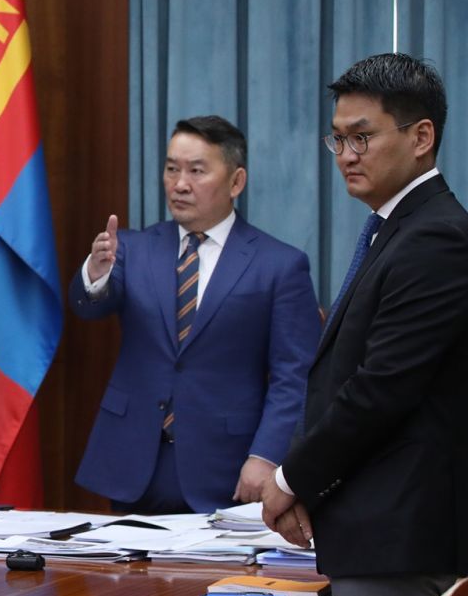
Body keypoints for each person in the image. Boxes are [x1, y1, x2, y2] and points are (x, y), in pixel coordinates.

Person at [262, 54, 468, 596]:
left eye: (362, 137)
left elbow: (380, 389)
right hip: (370, 533)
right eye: (337, 139)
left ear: (421, 137)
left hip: (396, 542)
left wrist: (290, 479)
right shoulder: (397, 229)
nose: (346, 155)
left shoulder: (436, 238)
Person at [69, 116, 321, 514]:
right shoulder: (133, 248)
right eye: (172, 169)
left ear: (236, 181)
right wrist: (95, 274)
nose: (180, 184)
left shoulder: (279, 265)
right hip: (134, 462)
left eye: (196, 171)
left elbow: (295, 376)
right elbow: (90, 307)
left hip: (226, 467)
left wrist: (266, 456)